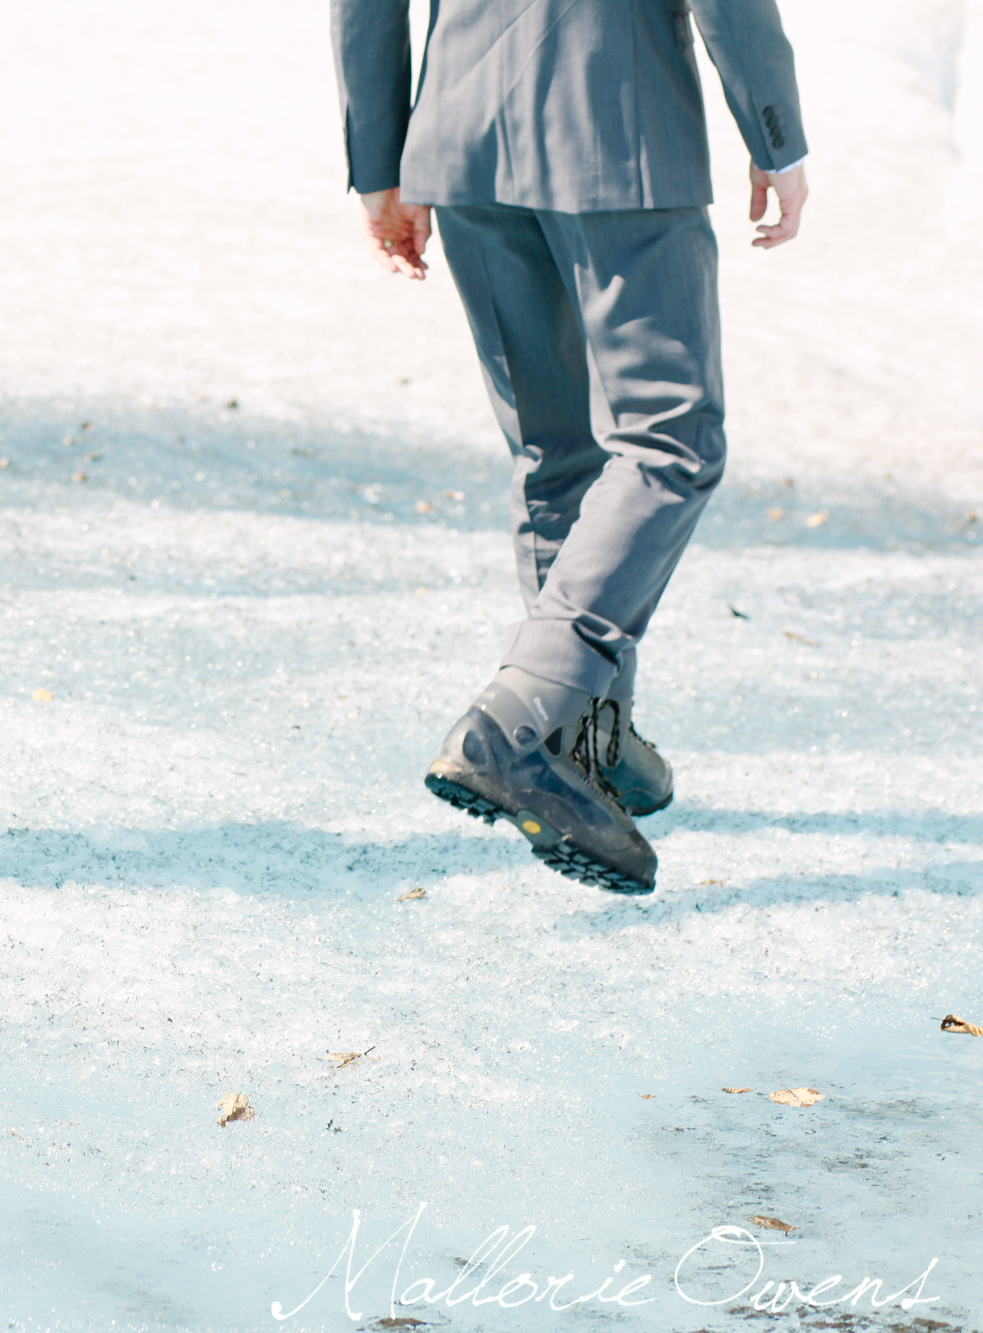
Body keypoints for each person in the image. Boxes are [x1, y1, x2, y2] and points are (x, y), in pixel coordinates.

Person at [329, 0, 808, 894]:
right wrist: (773, 130)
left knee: (554, 453)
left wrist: (379, 160)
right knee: (671, 440)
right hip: (615, 125)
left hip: (462, 128)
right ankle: (520, 718)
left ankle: (582, 737)